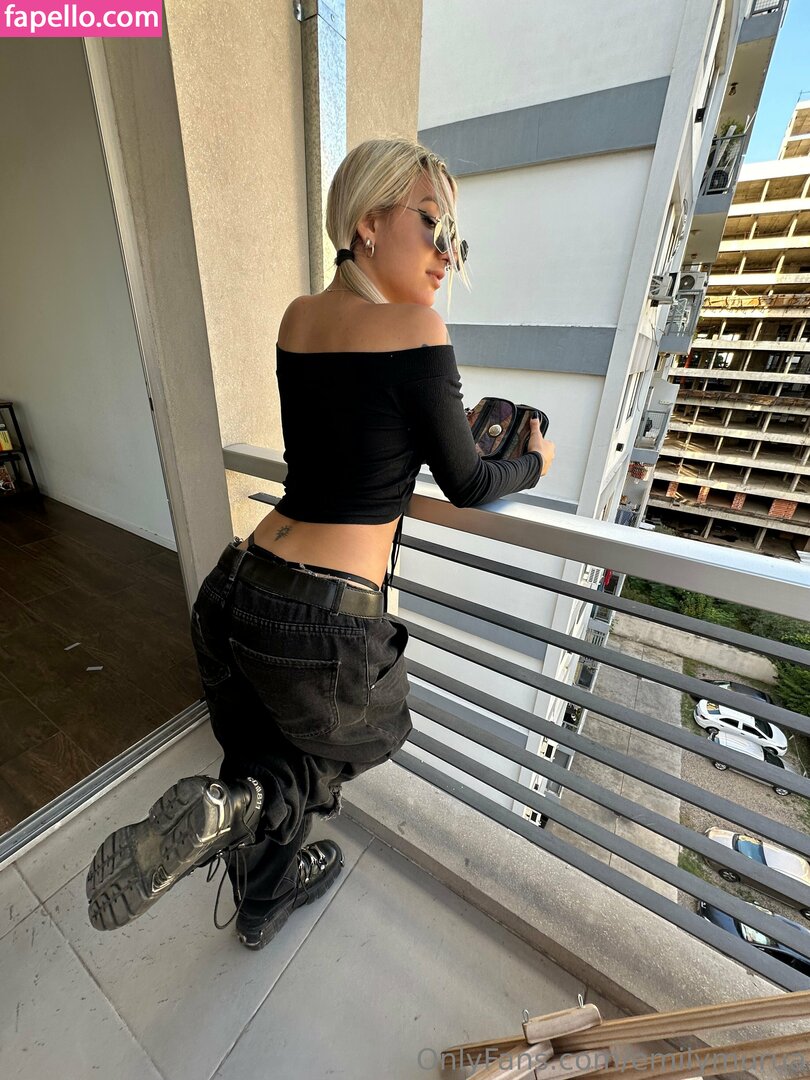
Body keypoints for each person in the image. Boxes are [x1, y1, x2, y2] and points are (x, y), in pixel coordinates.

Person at [85, 137, 556, 950]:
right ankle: (251, 804)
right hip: (319, 618)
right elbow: (470, 479)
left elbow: (348, 434)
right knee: (368, 731)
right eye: (435, 226)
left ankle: (259, 897)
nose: (448, 255)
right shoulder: (418, 328)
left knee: (260, 749)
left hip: (239, 585)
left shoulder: (298, 317)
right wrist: (535, 461)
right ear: (370, 221)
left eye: (457, 241)